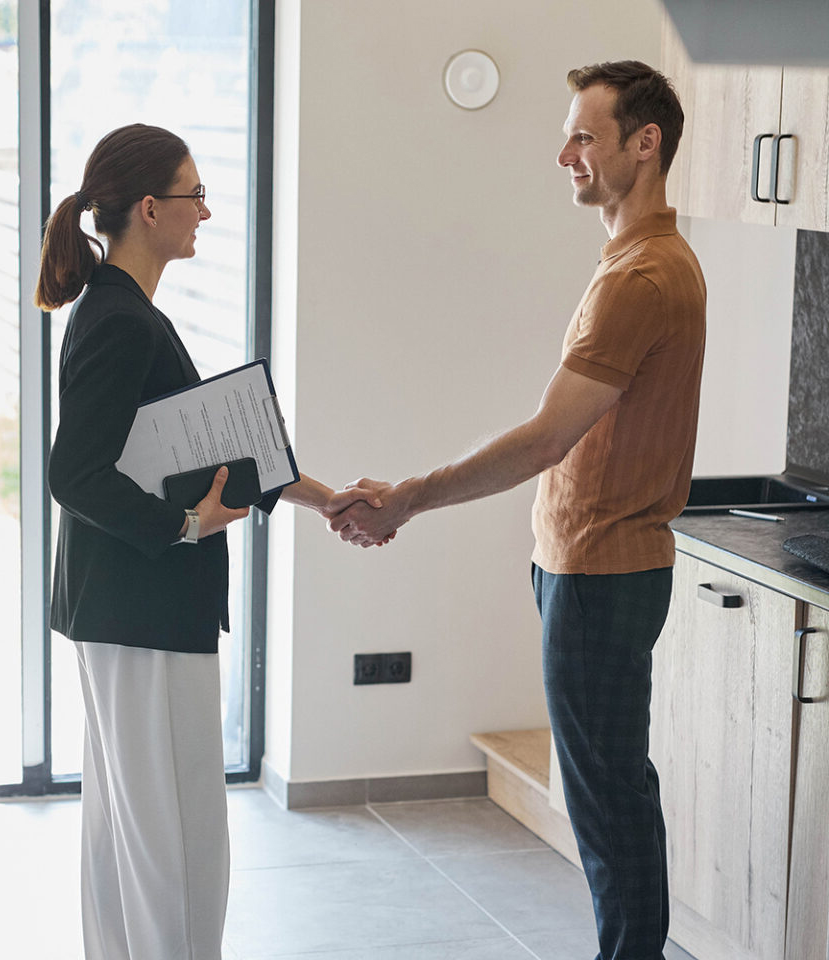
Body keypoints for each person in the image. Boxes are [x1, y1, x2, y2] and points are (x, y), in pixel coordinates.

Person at [329, 61, 706, 960]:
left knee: (608, 800)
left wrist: (407, 499)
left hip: (603, 570)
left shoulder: (641, 278)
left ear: (644, 143)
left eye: (585, 135)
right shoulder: (633, 262)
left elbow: (546, 439)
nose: (564, 153)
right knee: (609, 791)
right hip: (586, 562)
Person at [36, 123, 383, 960]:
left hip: (122, 611)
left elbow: (214, 449)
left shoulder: (122, 311)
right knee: (179, 841)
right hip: (143, 610)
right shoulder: (121, 320)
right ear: (150, 209)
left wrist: (324, 497)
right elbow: (74, 474)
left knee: (132, 832)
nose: (208, 212)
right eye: (195, 196)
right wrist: (187, 525)